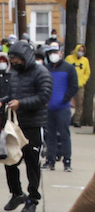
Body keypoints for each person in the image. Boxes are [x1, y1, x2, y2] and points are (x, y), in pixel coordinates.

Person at [0, 40, 52, 212]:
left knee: (32, 162)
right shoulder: (14, 73)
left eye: (17, 59)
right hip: (14, 124)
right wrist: (0, 101)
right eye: (12, 59)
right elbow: (8, 93)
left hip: (33, 124)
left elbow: (44, 96)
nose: (14, 62)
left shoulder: (41, 73)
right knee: (9, 159)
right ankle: (17, 193)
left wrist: (22, 104)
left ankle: (33, 198)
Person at [43, 43, 78, 172]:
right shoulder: (45, 69)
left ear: (61, 53)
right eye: (51, 52)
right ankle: (50, 160)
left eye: (55, 52)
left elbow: (74, 86)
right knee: (50, 135)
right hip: (48, 107)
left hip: (63, 108)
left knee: (64, 135)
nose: (53, 54)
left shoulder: (69, 68)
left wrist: (64, 99)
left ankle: (67, 162)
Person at [65, 44, 91, 128]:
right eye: (79, 50)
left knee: (79, 104)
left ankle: (76, 120)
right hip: (69, 84)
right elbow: (64, 69)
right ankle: (65, 119)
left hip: (79, 85)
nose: (81, 52)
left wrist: (83, 81)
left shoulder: (85, 60)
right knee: (65, 102)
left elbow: (87, 72)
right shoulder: (69, 59)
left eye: (82, 51)